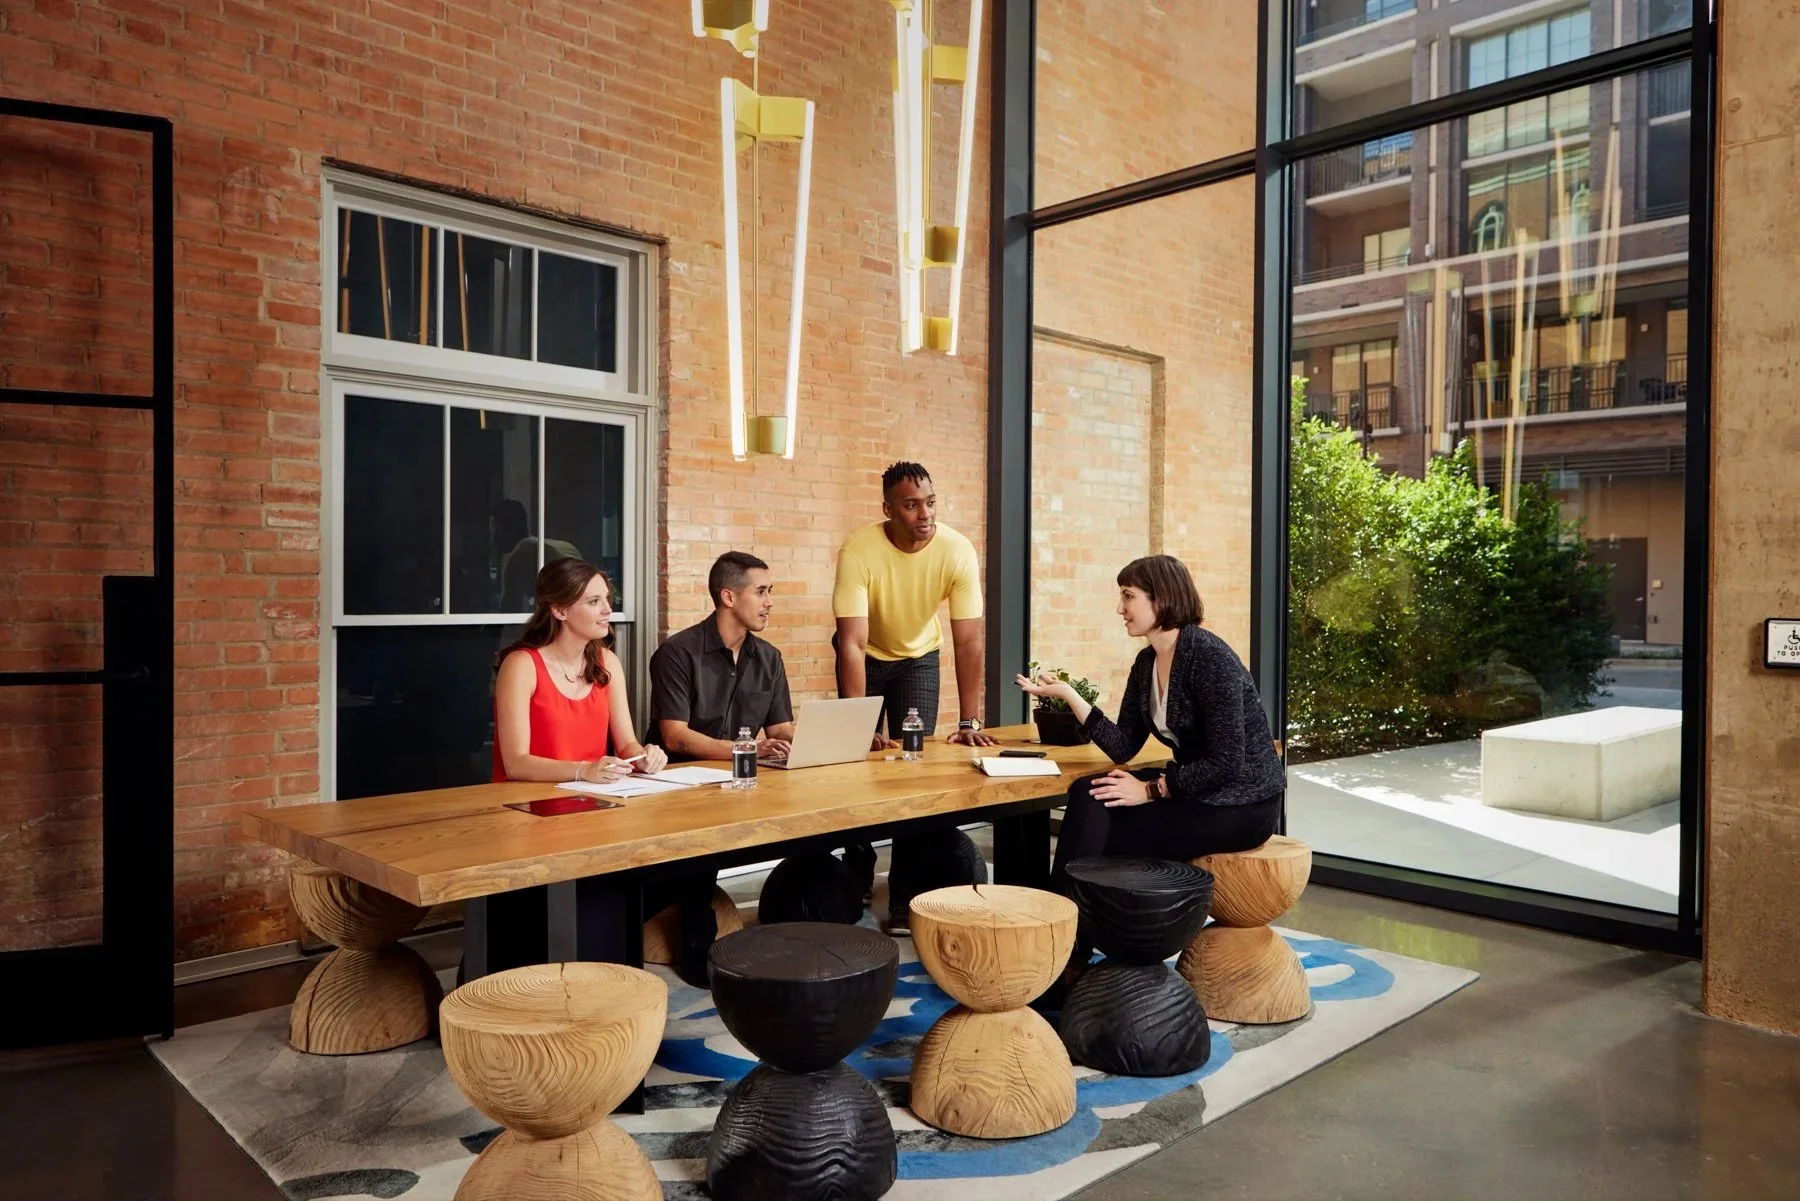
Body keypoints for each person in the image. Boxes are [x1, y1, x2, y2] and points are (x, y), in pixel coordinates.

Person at [1016, 554, 1285, 992]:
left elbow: (1228, 763)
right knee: (1089, 794)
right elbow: (1123, 745)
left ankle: (1062, 955)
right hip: (1195, 792)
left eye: (1128, 597)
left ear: (1161, 600)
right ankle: (1062, 948)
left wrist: (1153, 791)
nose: (1120, 608)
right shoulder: (1147, 664)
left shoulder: (1209, 657)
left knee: (1100, 836)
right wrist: (1068, 695)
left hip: (1243, 803)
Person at [490, 560, 710, 990]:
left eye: (607, 599)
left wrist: (644, 755)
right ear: (558, 610)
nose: (607, 609)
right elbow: (515, 761)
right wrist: (582, 769)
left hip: (594, 808)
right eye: (593, 601)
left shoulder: (606, 661)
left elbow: (625, 742)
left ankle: (611, 984)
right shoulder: (523, 665)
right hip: (527, 816)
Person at [832, 461, 997, 921]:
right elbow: (851, 642)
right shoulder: (859, 551)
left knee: (912, 764)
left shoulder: (956, 549)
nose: (924, 513)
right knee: (857, 759)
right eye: (910, 504)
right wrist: (858, 724)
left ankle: (906, 896)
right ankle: (857, 863)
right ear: (888, 508)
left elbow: (968, 641)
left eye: (930, 502)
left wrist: (969, 721)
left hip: (919, 656)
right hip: (865, 653)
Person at [651, 551, 796, 763]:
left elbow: (780, 729)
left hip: (743, 777)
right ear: (729, 597)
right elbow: (676, 737)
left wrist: (814, 743)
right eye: (760, 592)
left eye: (769, 591)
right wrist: (747, 748)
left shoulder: (770, 657)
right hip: (680, 780)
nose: (769, 602)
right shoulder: (676, 653)